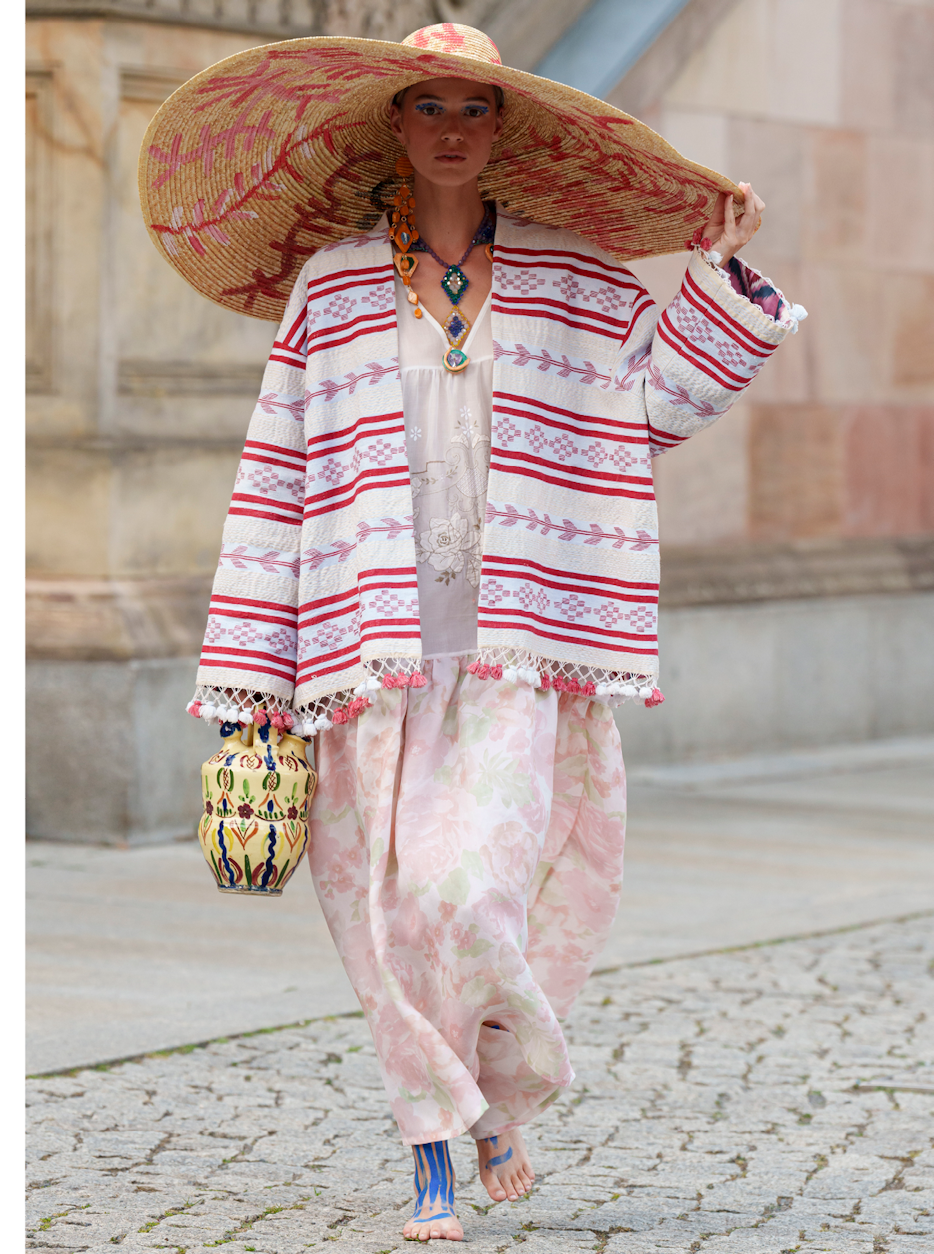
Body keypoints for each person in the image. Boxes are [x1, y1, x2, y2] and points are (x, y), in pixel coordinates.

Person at [144, 24, 803, 1242]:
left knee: (464, 899)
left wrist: (718, 277)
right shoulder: (332, 285)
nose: (451, 127)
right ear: (393, 125)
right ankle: (433, 1151)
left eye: (474, 109)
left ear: (505, 131)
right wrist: (250, 676)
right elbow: (277, 477)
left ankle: (496, 1095)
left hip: (516, 650)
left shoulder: (575, 275)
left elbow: (650, 411)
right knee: (389, 926)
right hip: (364, 657)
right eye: (429, 106)